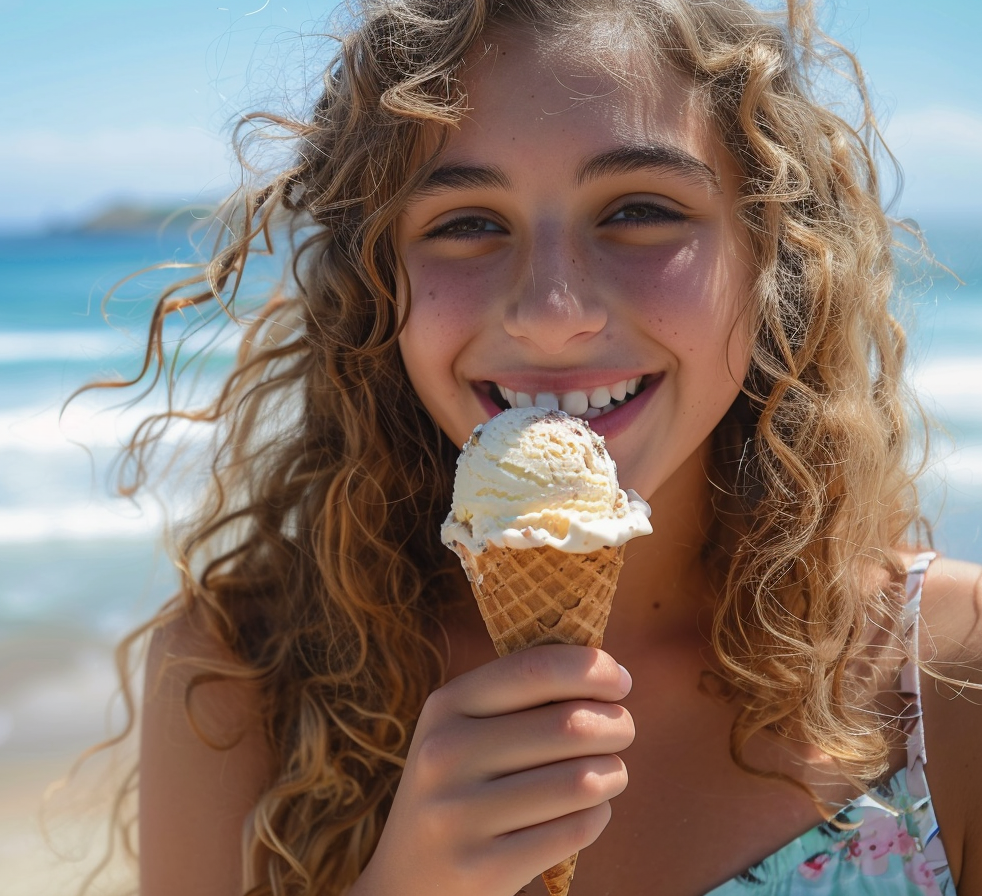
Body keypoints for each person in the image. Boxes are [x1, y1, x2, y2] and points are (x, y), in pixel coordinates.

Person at [82, 0, 982, 893]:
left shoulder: (950, 674)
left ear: (773, 254)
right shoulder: (237, 681)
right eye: (467, 223)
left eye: (638, 209)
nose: (552, 315)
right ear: (375, 280)